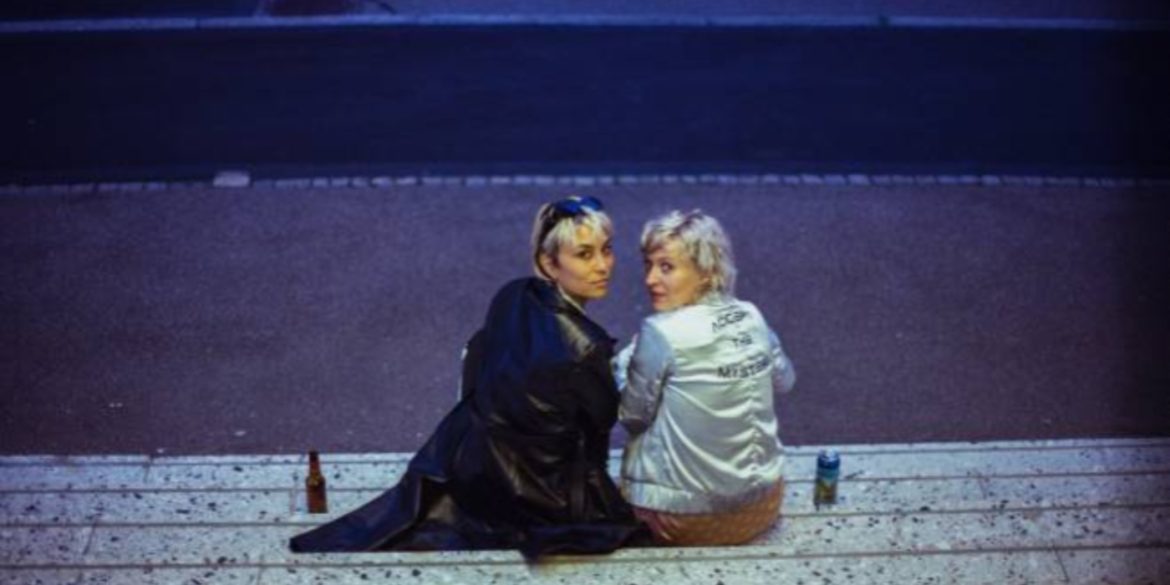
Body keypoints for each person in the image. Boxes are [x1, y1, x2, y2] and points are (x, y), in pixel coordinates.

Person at [290, 196, 647, 557]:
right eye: (584, 255)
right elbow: (604, 420)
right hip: (542, 495)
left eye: (607, 250)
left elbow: (480, 364)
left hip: (470, 467)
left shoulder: (513, 295)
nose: (603, 266)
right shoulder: (587, 347)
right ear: (549, 263)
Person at [614, 210, 796, 546]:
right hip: (763, 504)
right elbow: (785, 381)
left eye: (666, 267)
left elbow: (631, 417)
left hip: (682, 519)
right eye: (648, 265)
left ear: (706, 271)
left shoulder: (659, 332)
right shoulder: (750, 315)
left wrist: (625, 362)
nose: (650, 279)